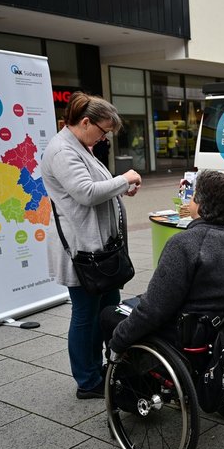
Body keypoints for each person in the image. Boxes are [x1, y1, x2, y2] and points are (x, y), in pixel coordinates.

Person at [103, 170, 224, 362]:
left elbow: (154, 309)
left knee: (109, 315)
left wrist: (119, 341)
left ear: (198, 204)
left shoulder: (183, 245)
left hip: (187, 338)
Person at [40, 92, 142, 400]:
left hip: (99, 249)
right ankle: (87, 379)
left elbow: (97, 187)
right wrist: (124, 179)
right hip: (82, 252)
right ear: (86, 122)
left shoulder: (79, 146)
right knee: (85, 315)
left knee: (109, 310)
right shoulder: (61, 151)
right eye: (102, 131)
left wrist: (119, 189)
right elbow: (85, 192)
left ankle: (106, 368)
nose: (102, 137)